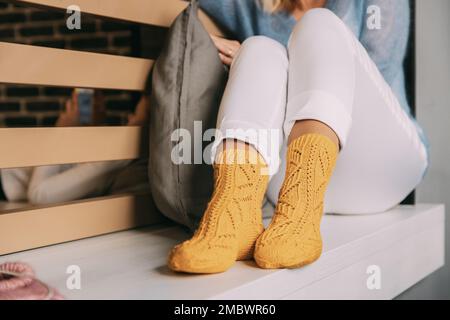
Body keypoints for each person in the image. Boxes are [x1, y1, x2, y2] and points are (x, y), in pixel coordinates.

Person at [167, 0, 429, 274]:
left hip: (380, 166)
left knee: (319, 23)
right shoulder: (250, 4)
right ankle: (235, 212)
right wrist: (199, 41)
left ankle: (301, 207)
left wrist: (295, 60)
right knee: (258, 48)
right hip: (285, 176)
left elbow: (374, 83)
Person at [0, 91, 149, 205]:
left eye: (136, 114)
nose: (129, 117)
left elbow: (38, 194)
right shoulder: (113, 149)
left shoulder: (117, 158)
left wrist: (61, 131)